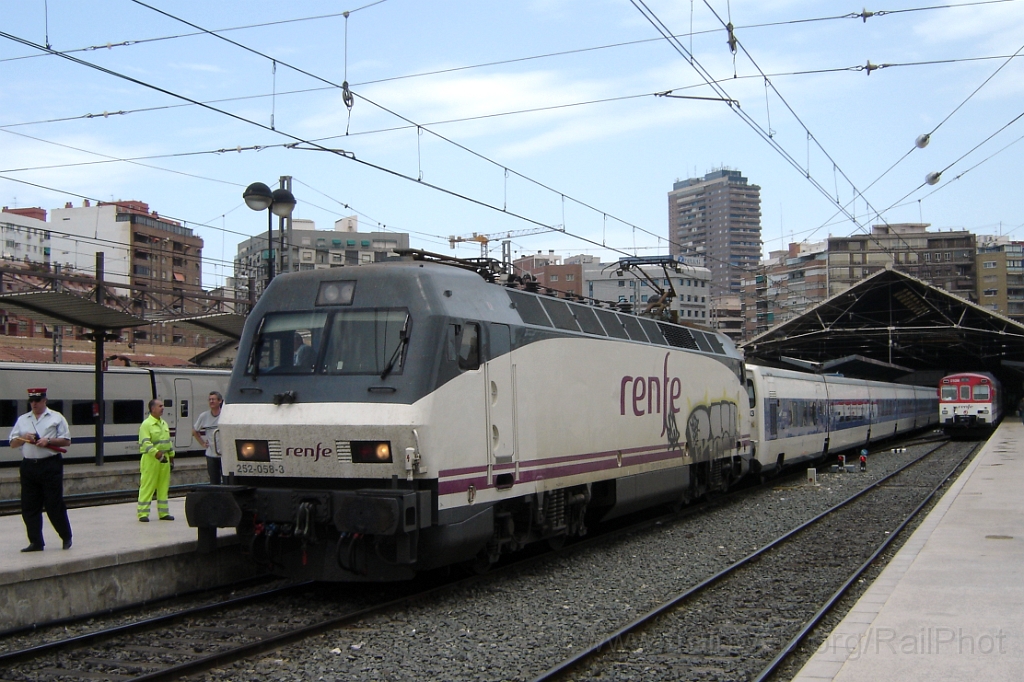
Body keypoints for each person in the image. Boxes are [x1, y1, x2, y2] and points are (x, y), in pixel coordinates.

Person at [8, 388, 72, 552]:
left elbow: (66, 441)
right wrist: (24, 438)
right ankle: (36, 542)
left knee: (53, 504)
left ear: (45, 401)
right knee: (29, 506)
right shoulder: (23, 419)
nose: (34, 404)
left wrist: (48, 440)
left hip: (50, 465)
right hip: (29, 466)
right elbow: (12, 443)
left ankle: (65, 536)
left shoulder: (56, 418)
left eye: (37, 401)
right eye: (32, 401)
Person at [138, 399, 174, 522]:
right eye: (160, 406)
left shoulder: (164, 424)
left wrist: (171, 457)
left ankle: (163, 512)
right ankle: (143, 513)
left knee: (163, 487)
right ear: (153, 409)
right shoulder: (146, 424)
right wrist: (157, 454)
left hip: (165, 459)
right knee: (148, 485)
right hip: (151, 459)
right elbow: (145, 443)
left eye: (162, 406)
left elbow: (168, 442)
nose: (163, 408)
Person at [192, 391, 224, 485]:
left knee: (227, 480)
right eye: (209, 399)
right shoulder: (204, 416)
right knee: (214, 480)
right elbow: (194, 431)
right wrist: (202, 443)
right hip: (211, 454)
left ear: (220, 401)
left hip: (224, 455)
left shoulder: (225, 415)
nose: (211, 401)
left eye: (213, 399)